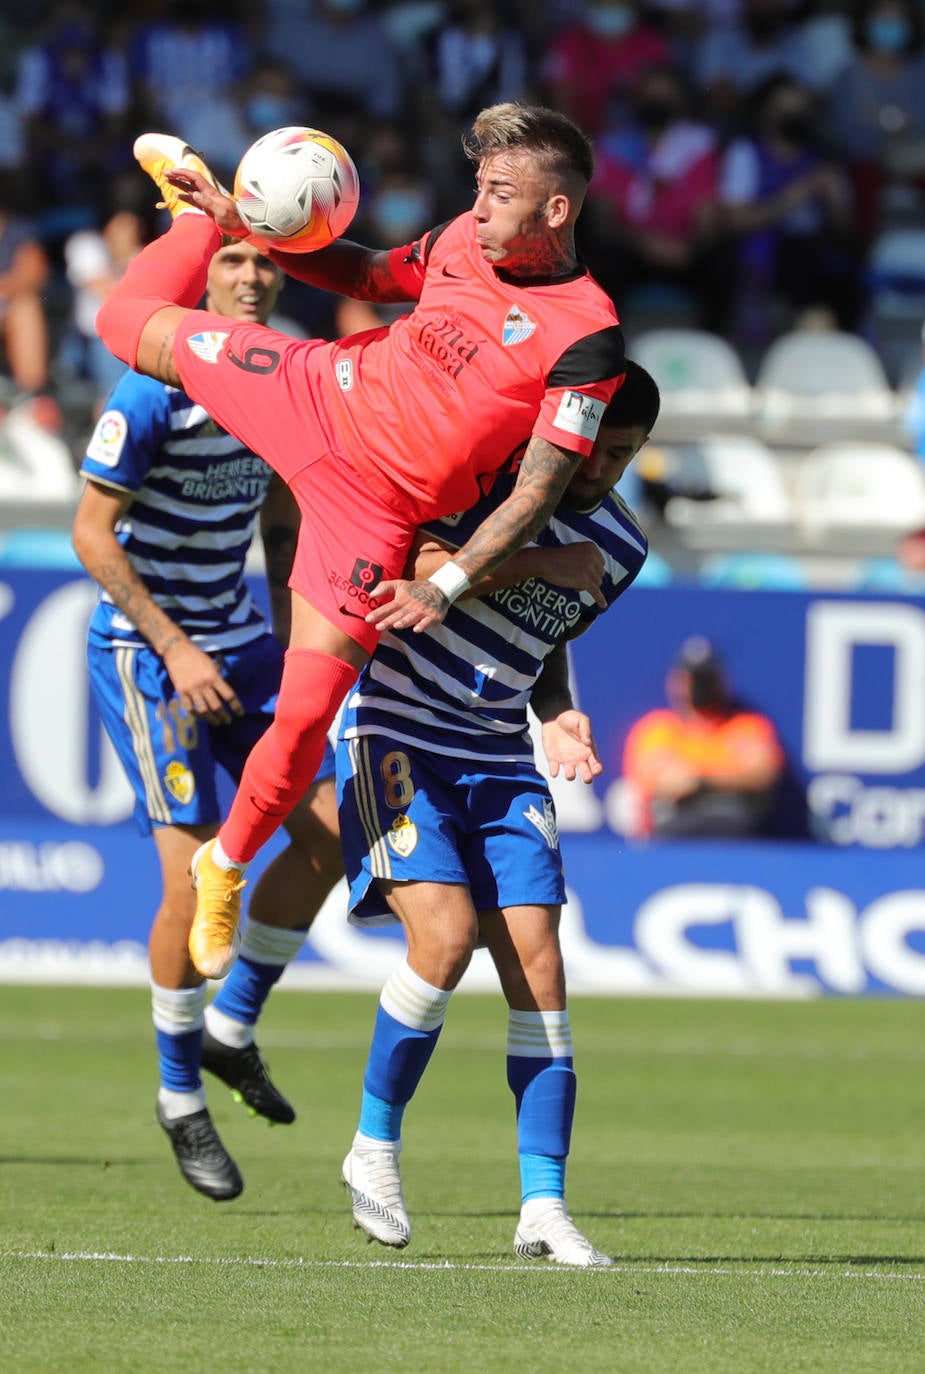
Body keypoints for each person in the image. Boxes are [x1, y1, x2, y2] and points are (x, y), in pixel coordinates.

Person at [95, 105, 626, 987]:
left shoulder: (588, 336)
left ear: (555, 212)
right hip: (314, 391)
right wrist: (235, 224)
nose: (480, 206)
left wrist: (446, 582)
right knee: (125, 324)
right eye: (480, 188)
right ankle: (191, 216)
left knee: (305, 719)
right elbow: (373, 274)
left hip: (373, 509)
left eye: (498, 193)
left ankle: (223, 864)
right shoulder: (462, 239)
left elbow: (536, 492)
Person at [337, 361, 659, 1268]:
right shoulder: (485, 480)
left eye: (626, 454)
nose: (602, 468)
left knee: (540, 967)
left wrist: (556, 710)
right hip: (394, 725)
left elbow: (544, 640)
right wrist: (537, 559)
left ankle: (543, 1207)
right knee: (440, 941)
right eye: (597, 446)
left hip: (495, 750)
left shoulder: (623, 548)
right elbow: (416, 571)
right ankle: (373, 1148)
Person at [72, 239, 344, 1203]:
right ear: (201, 277)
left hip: (242, 641)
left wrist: (289, 632)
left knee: (330, 836)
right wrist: (177, 648)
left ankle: (230, 1028)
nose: (253, 277)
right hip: (147, 653)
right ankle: (179, 1095)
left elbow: (279, 513)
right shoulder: (152, 385)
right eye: (233, 258)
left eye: (268, 263)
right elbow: (89, 532)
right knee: (190, 881)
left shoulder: (282, 377)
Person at [621, 635, 785, 839]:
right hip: (673, 832)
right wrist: (730, 774)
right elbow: (663, 783)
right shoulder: (657, 729)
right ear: (676, 681)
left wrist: (700, 781)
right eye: (693, 678)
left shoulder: (746, 725)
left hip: (735, 831)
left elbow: (762, 774)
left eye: (706, 678)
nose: (699, 686)